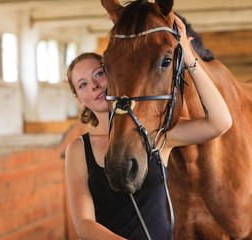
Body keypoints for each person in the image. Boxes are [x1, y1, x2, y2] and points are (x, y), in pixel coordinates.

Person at [65, 16, 232, 240]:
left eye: (99, 74)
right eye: (83, 84)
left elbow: (220, 122)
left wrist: (190, 58)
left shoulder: (156, 134)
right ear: (80, 99)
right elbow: (84, 223)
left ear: (114, 74)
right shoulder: (78, 150)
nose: (94, 85)